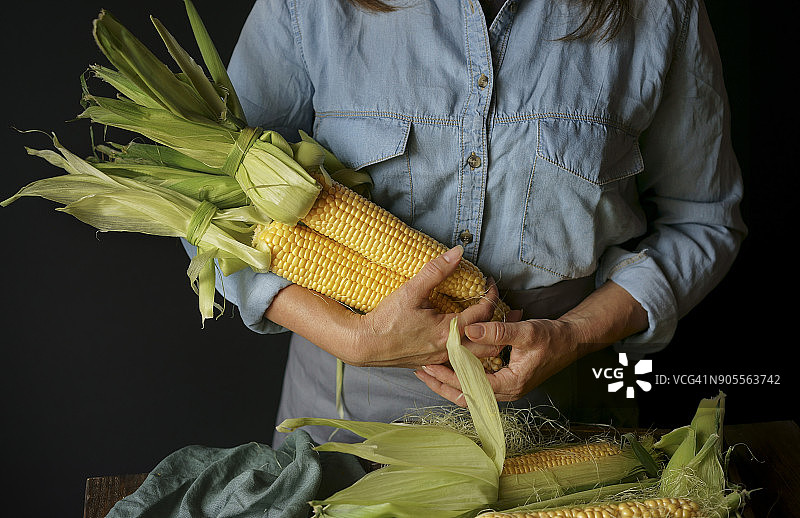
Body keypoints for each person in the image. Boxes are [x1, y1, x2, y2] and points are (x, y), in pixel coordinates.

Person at [183, 0, 746, 446]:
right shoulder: (311, 6)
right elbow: (218, 206)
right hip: (346, 423)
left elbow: (704, 219)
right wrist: (352, 337)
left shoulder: (659, 11)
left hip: (560, 416)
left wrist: (572, 335)